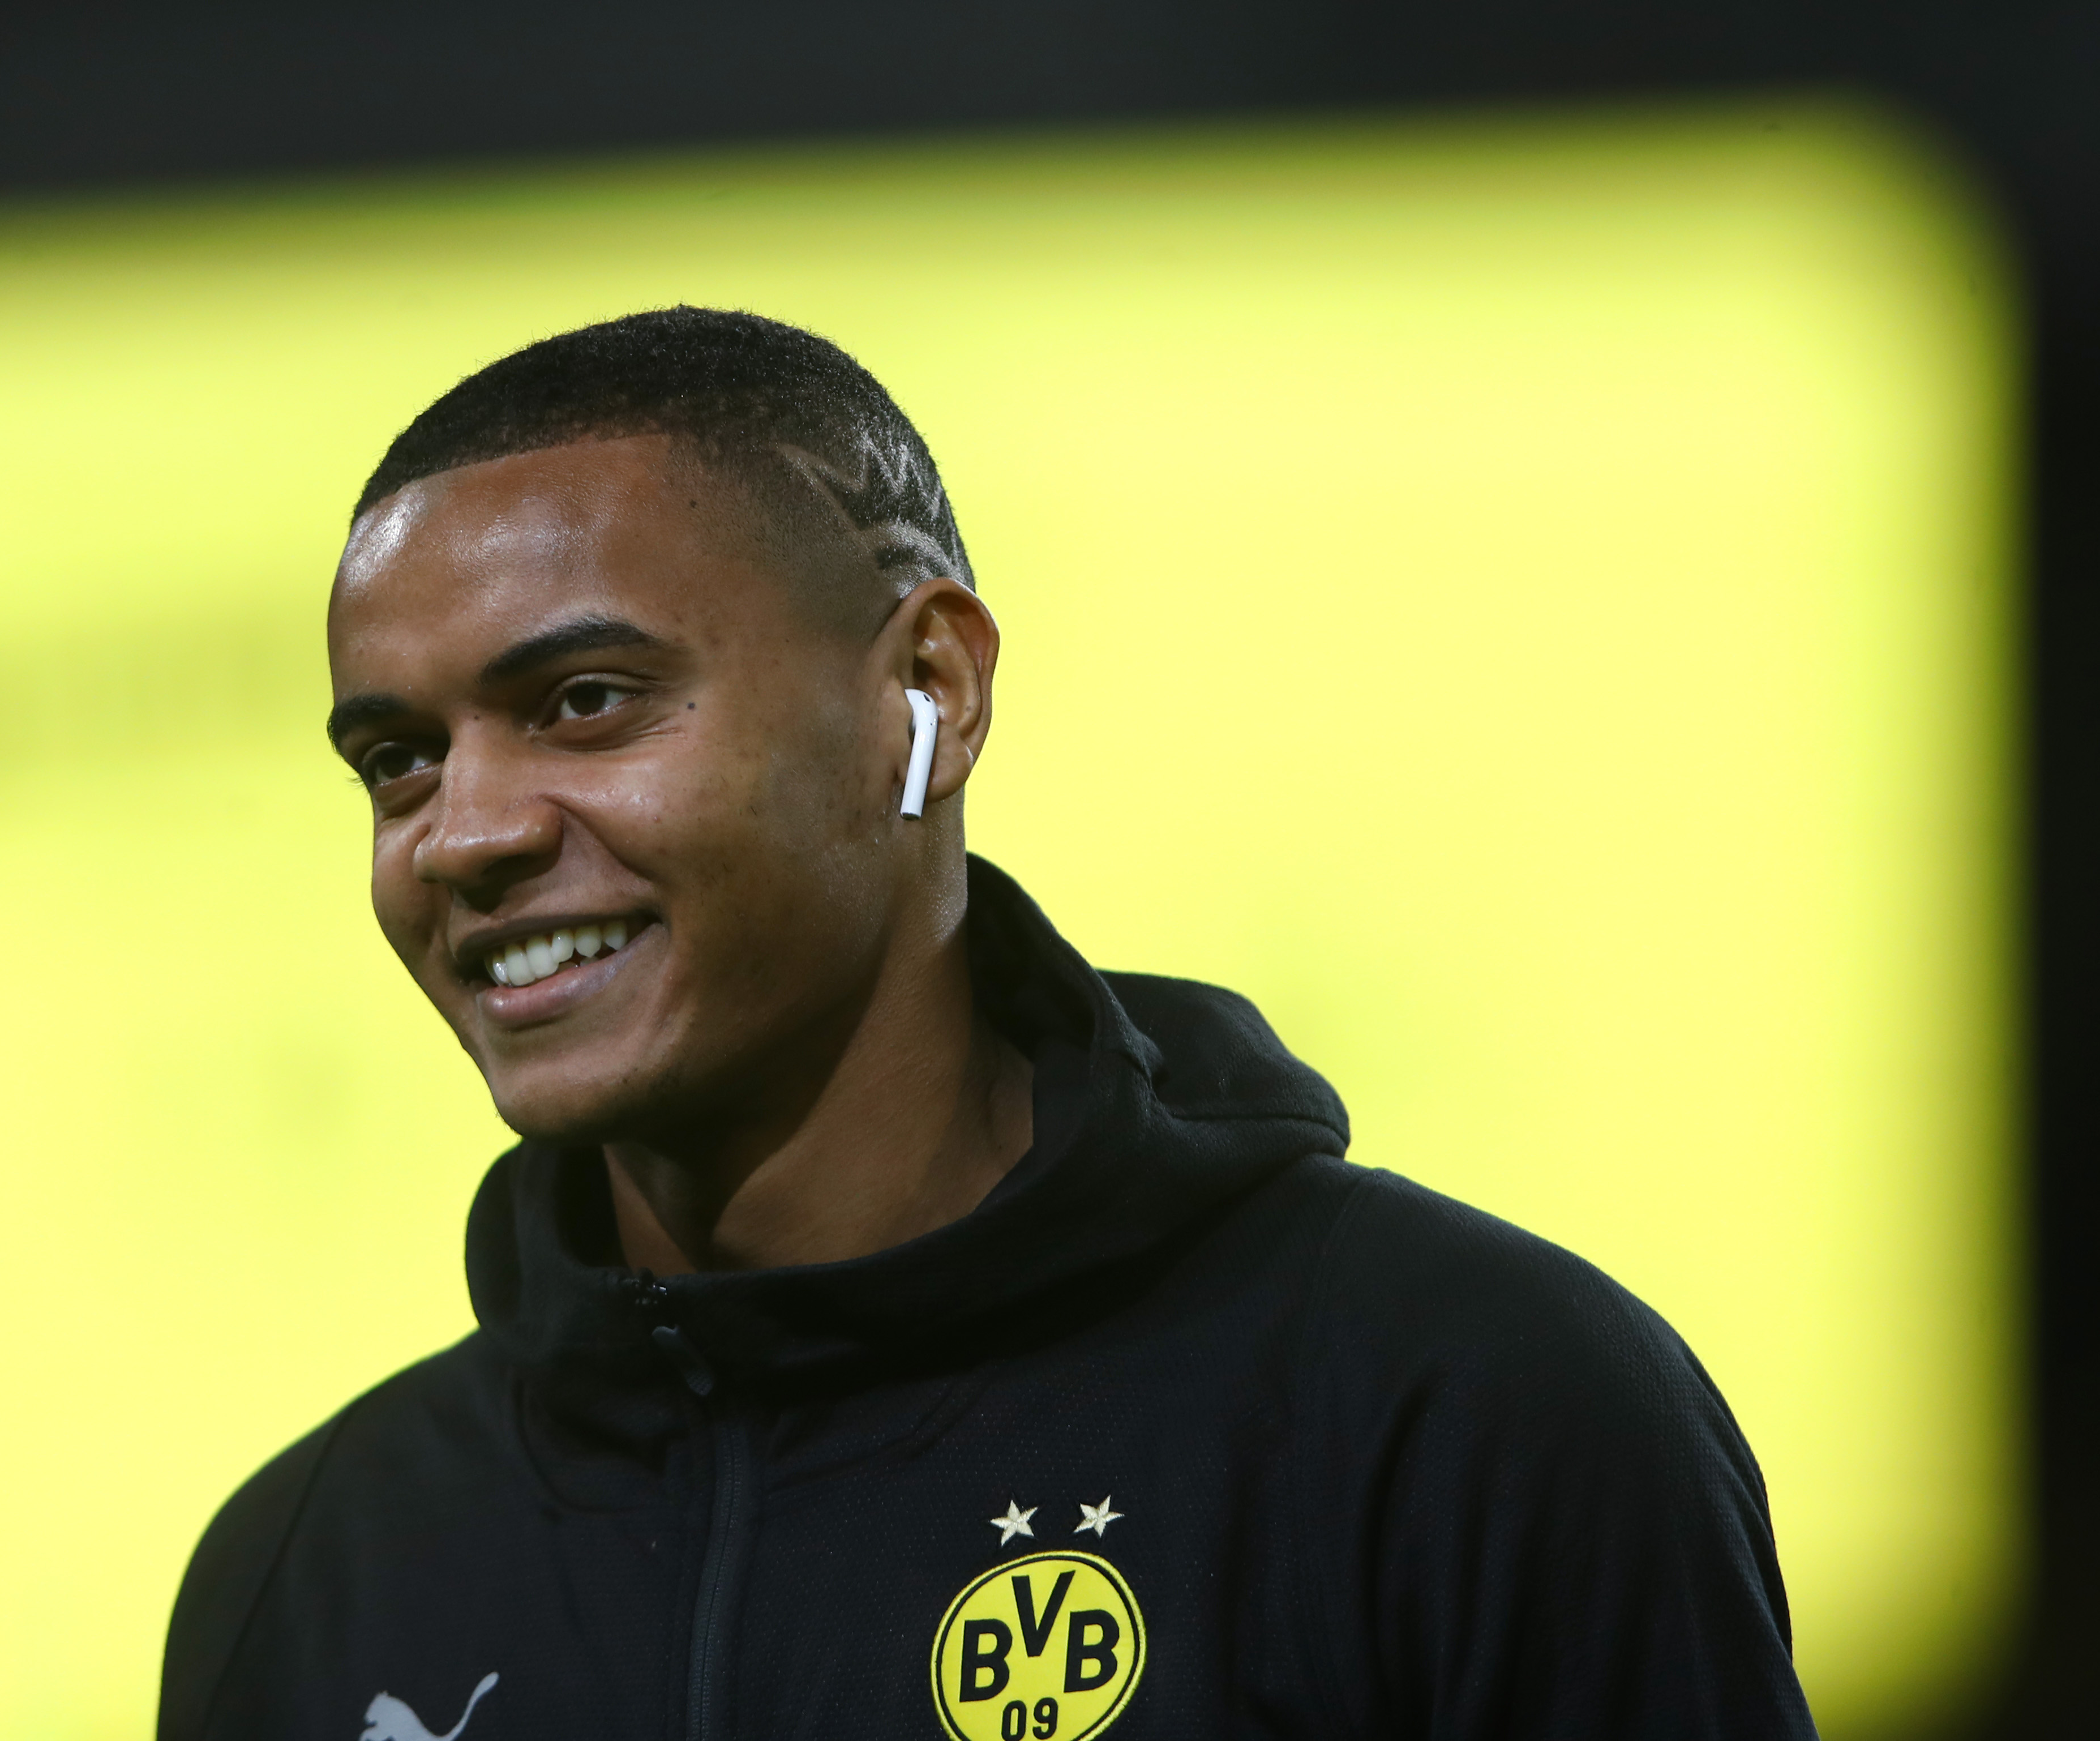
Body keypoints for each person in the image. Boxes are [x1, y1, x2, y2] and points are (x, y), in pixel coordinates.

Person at [158, 307, 1815, 1741]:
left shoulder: (1468, 1412)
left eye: (584, 703)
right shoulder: (314, 1567)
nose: (465, 833)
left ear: (928, 692)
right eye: (399, 762)